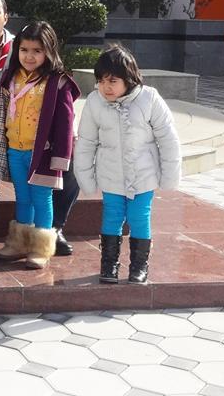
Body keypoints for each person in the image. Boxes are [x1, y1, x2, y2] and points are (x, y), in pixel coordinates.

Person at [0, 0, 81, 256]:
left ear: (6, 16)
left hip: (37, 143)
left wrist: (65, 142)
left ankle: (52, 231)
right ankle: (5, 220)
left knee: (69, 170)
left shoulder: (27, 47)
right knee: (16, 194)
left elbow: (61, 110)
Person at [73, 45, 181, 285]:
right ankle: (109, 264)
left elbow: (168, 138)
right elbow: (87, 142)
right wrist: (86, 178)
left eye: (113, 81)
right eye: (101, 81)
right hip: (111, 174)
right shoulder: (95, 102)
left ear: (129, 79)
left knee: (139, 217)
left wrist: (169, 175)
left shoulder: (149, 98)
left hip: (143, 175)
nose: (106, 87)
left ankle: (139, 266)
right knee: (112, 216)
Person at [0, 21, 80, 270]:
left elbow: (66, 123)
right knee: (23, 198)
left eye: (37, 51)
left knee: (42, 199)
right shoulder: (11, 77)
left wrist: (61, 158)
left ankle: (40, 248)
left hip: (42, 154)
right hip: (15, 150)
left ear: (49, 51)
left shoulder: (57, 82)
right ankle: (19, 244)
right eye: (24, 50)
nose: (29, 56)